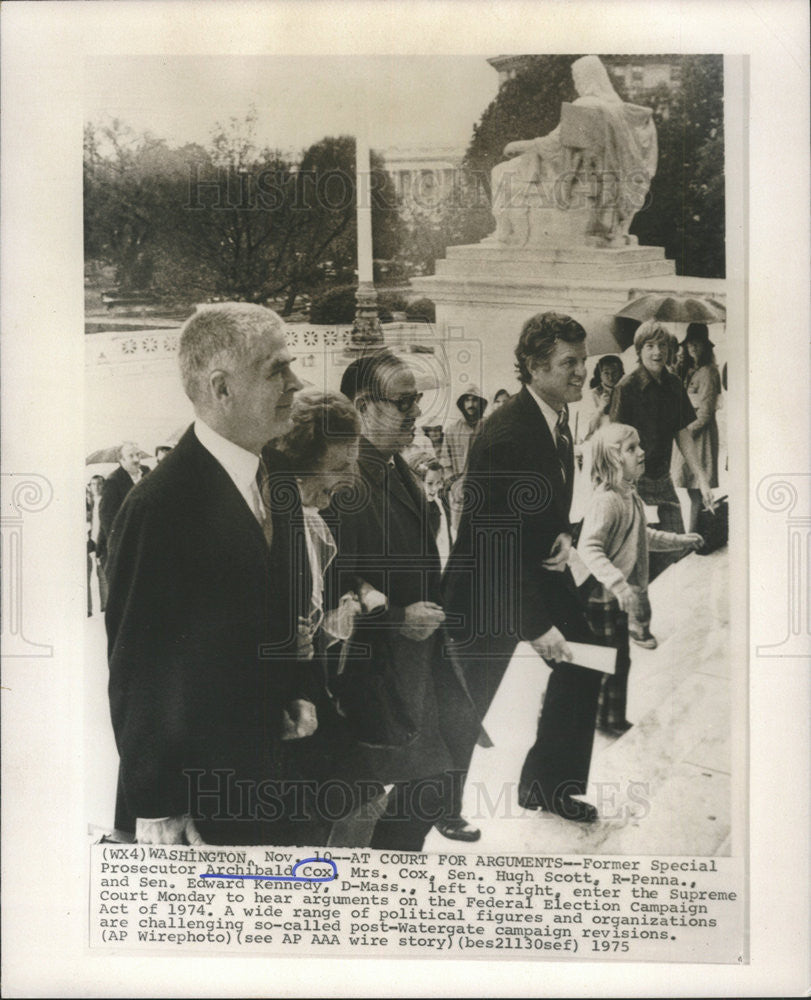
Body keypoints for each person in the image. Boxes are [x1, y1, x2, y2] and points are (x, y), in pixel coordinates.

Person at [105, 302, 320, 846]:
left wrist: (295, 692)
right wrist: (158, 804)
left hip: (263, 772)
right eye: (277, 370)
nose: (296, 382)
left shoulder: (273, 482)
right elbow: (139, 670)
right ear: (221, 389)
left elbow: (276, 612)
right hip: (194, 803)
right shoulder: (158, 507)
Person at [444, 311, 602, 824]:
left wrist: (563, 537)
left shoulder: (555, 415)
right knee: (462, 706)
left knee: (588, 657)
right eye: (569, 363)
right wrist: (535, 627)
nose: (582, 372)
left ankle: (548, 786)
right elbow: (492, 545)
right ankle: (434, 806)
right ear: (533, 368)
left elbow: (540, 507)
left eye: (584, 360)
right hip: (488, 586)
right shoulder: (509, 433)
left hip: (534, 568)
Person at [327, 351, 480, 848]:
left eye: (417, 400)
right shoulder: (345, 483)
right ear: (361, 407)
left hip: (420, 661)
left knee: (440, 770)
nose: (416, 412)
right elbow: (329, 586)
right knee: (406, 784)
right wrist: (396, 618)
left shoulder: (396, 468)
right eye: (403, 401)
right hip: (379, 670)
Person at [576, 423, 703, 735]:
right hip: (599, 595)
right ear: (613, 460)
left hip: (613, 594)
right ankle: (588, 714)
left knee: (617, 660)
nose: (642, 452)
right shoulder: (607, 500)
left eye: (639, 445)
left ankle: (608, 718)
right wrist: (620, 585)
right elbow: (589, 547)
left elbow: (641, 536)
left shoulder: (628, 495)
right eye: (631, 449)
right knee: (596, 662)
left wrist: (680, 540)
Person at [609, 319, 714, 648]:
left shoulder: (672, 385)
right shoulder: (626, 388)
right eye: (649, 346)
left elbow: (682, 431)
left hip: (662, 479)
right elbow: (614, 439)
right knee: (639, 558)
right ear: (640, 351)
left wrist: (700, 476)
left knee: (676, 547)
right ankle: (637, 624)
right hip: (633, 483)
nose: (657, 351)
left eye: (662, 345)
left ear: (671, 350)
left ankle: (626, 594)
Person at [490, 55, 657, 247]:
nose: (576, 83)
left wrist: (517, 145)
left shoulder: (584, 104)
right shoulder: (619, 109)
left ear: (586, 78)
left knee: (500, 172)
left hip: (570, 171)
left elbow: (554, 145)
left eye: (577, 78)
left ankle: (505, 232)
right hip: (605, 175)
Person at [672, 323, 722, 532]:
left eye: (697, 343)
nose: (692, 347)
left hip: (699, 438)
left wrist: (683, 434)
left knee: (697, 491)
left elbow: (705, 413)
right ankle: (695, 537)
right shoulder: (692, 371)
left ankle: (695, 538)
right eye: (689, 343)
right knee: (693, 492)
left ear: (705, 345)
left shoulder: (709, 372)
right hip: (688, 435)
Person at [96, 442, 150, 573]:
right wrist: (119, 549)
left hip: (144, 544)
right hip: (122, 548)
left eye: (138, 454)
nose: (137, 459)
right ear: (121, 460)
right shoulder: (113, 482)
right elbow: (107, 519)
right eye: (131, 456)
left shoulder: (147, 472)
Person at [409, 454, 454, 571]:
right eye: (429, 483)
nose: (435, 489)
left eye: (438, 483)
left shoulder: (440, 507)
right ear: (415, 481)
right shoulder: (410, 507)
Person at [439, 386, 487, 482]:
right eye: (467, 400)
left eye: (474, 400)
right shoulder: (451, 430)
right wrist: (453, 483)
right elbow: (445, 462)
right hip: (458, 484)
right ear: (462, 403)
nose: (471, 404)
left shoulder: (489, 426)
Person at [584, 355, 624, 440]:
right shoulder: (593, 394)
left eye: (614, 372)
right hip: (601, 440)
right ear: (600, 374)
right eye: (606, 373)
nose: (610, 377)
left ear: (621, 372)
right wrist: (601, 407)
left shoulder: (627, 391)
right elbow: (587, 429)